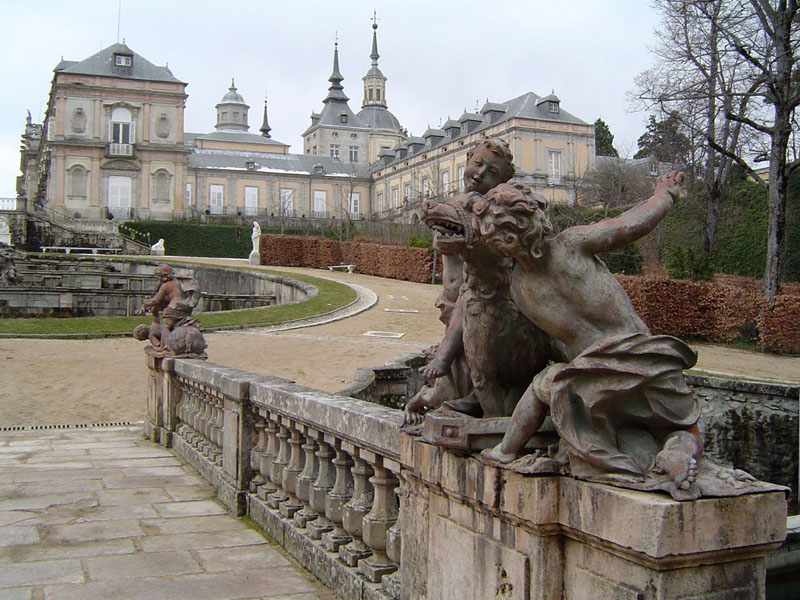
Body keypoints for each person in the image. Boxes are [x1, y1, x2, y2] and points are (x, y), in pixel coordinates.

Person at [476, 173, 704, 498]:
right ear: (534, 216)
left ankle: (506, 451)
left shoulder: (519, 288)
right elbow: (629, 225)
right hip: (651, 360)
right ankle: (679, 448)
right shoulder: (572, 243)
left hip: (593, 381)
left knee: (547, 384)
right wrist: (665, 193)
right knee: (683, 427)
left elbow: (552, 344)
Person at [404, 138, 516, 424]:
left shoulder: (491, 211)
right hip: (451, 300)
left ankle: (476, 407)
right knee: (461, 366)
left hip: (479, 295)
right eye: (477, 164)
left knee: (479, 360)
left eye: (491, 172)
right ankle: (456, 403)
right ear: (467, 162)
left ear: (501, 181)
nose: (479, 173)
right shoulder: (454, 204)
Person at [141, 264, 202, 355]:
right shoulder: (177, 283)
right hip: (182, 307)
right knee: (174, 327)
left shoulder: (166, 286)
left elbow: (156, 300)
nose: (157, 278)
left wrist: (146, 302)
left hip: (172, 309)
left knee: (166, 327)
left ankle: (164, 347)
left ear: (163, 276)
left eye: (158, 276)